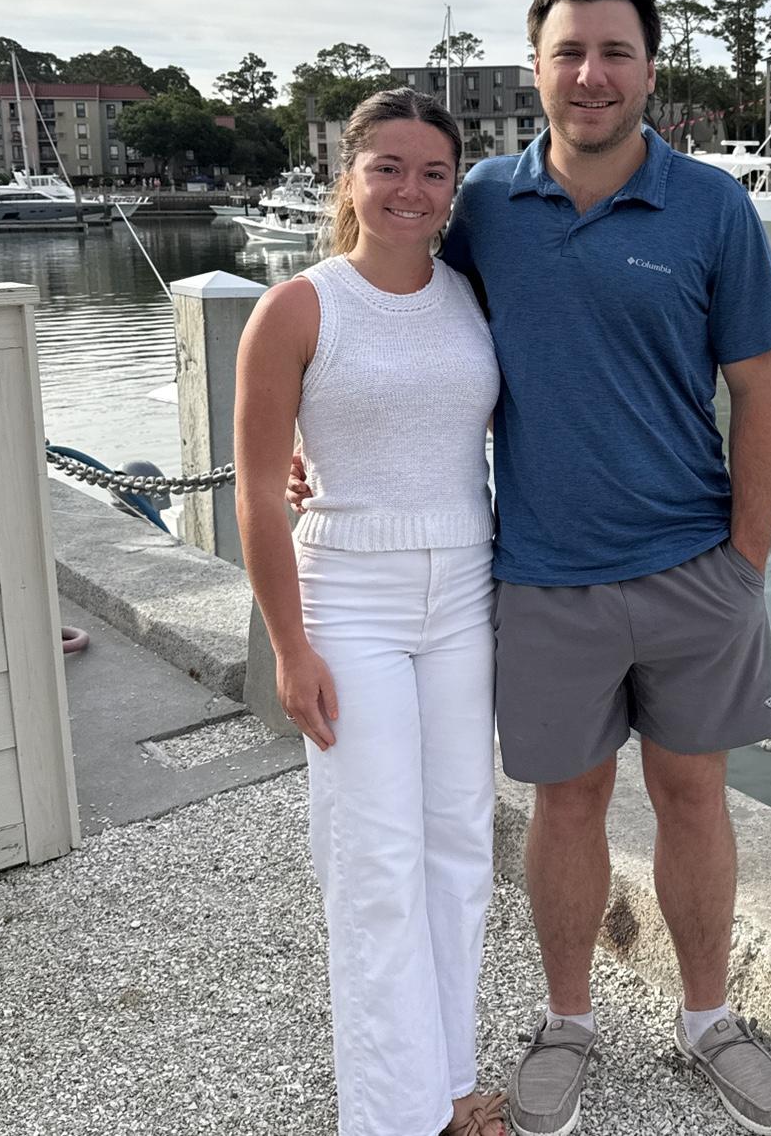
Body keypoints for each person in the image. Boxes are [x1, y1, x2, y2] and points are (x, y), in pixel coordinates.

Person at [292, 0, 771, 1136]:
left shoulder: (713, 207)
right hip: (541, 575)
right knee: (566, 806)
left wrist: (745, 564)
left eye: (615, 52)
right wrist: (300, 444)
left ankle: (708, 1018)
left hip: (693, 567)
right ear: (537, 69)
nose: (591, 75)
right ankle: (568, 1022)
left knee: (693, 796)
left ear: (649, 70)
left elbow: (762, 394)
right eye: (570, 52)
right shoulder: (481, 207)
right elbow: (383, 303)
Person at [236, 88, 507, 1136]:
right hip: (348, 600)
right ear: (348, 176)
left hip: (466, 593)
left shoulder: (471, 294)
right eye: (387, 166)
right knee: (375, 864)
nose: (410, 189)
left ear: (453, 188)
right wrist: (289, 645)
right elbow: (259, 493)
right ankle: (392, 1117)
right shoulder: (299, 308)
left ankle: (449, 1083)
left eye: (433, 172)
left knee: (459, 846)